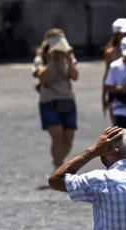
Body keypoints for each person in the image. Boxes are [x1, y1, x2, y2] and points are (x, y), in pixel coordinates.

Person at [32, 29, 79, 170]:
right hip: (49, 100)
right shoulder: (41, 59)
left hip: (67, 98)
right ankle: (59, 167)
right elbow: (43, 76)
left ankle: (58, 161)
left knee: (68, 139)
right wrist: (52, 61)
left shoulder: (68, 58)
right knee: (57, 135)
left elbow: (75, 76)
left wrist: (69, 59)